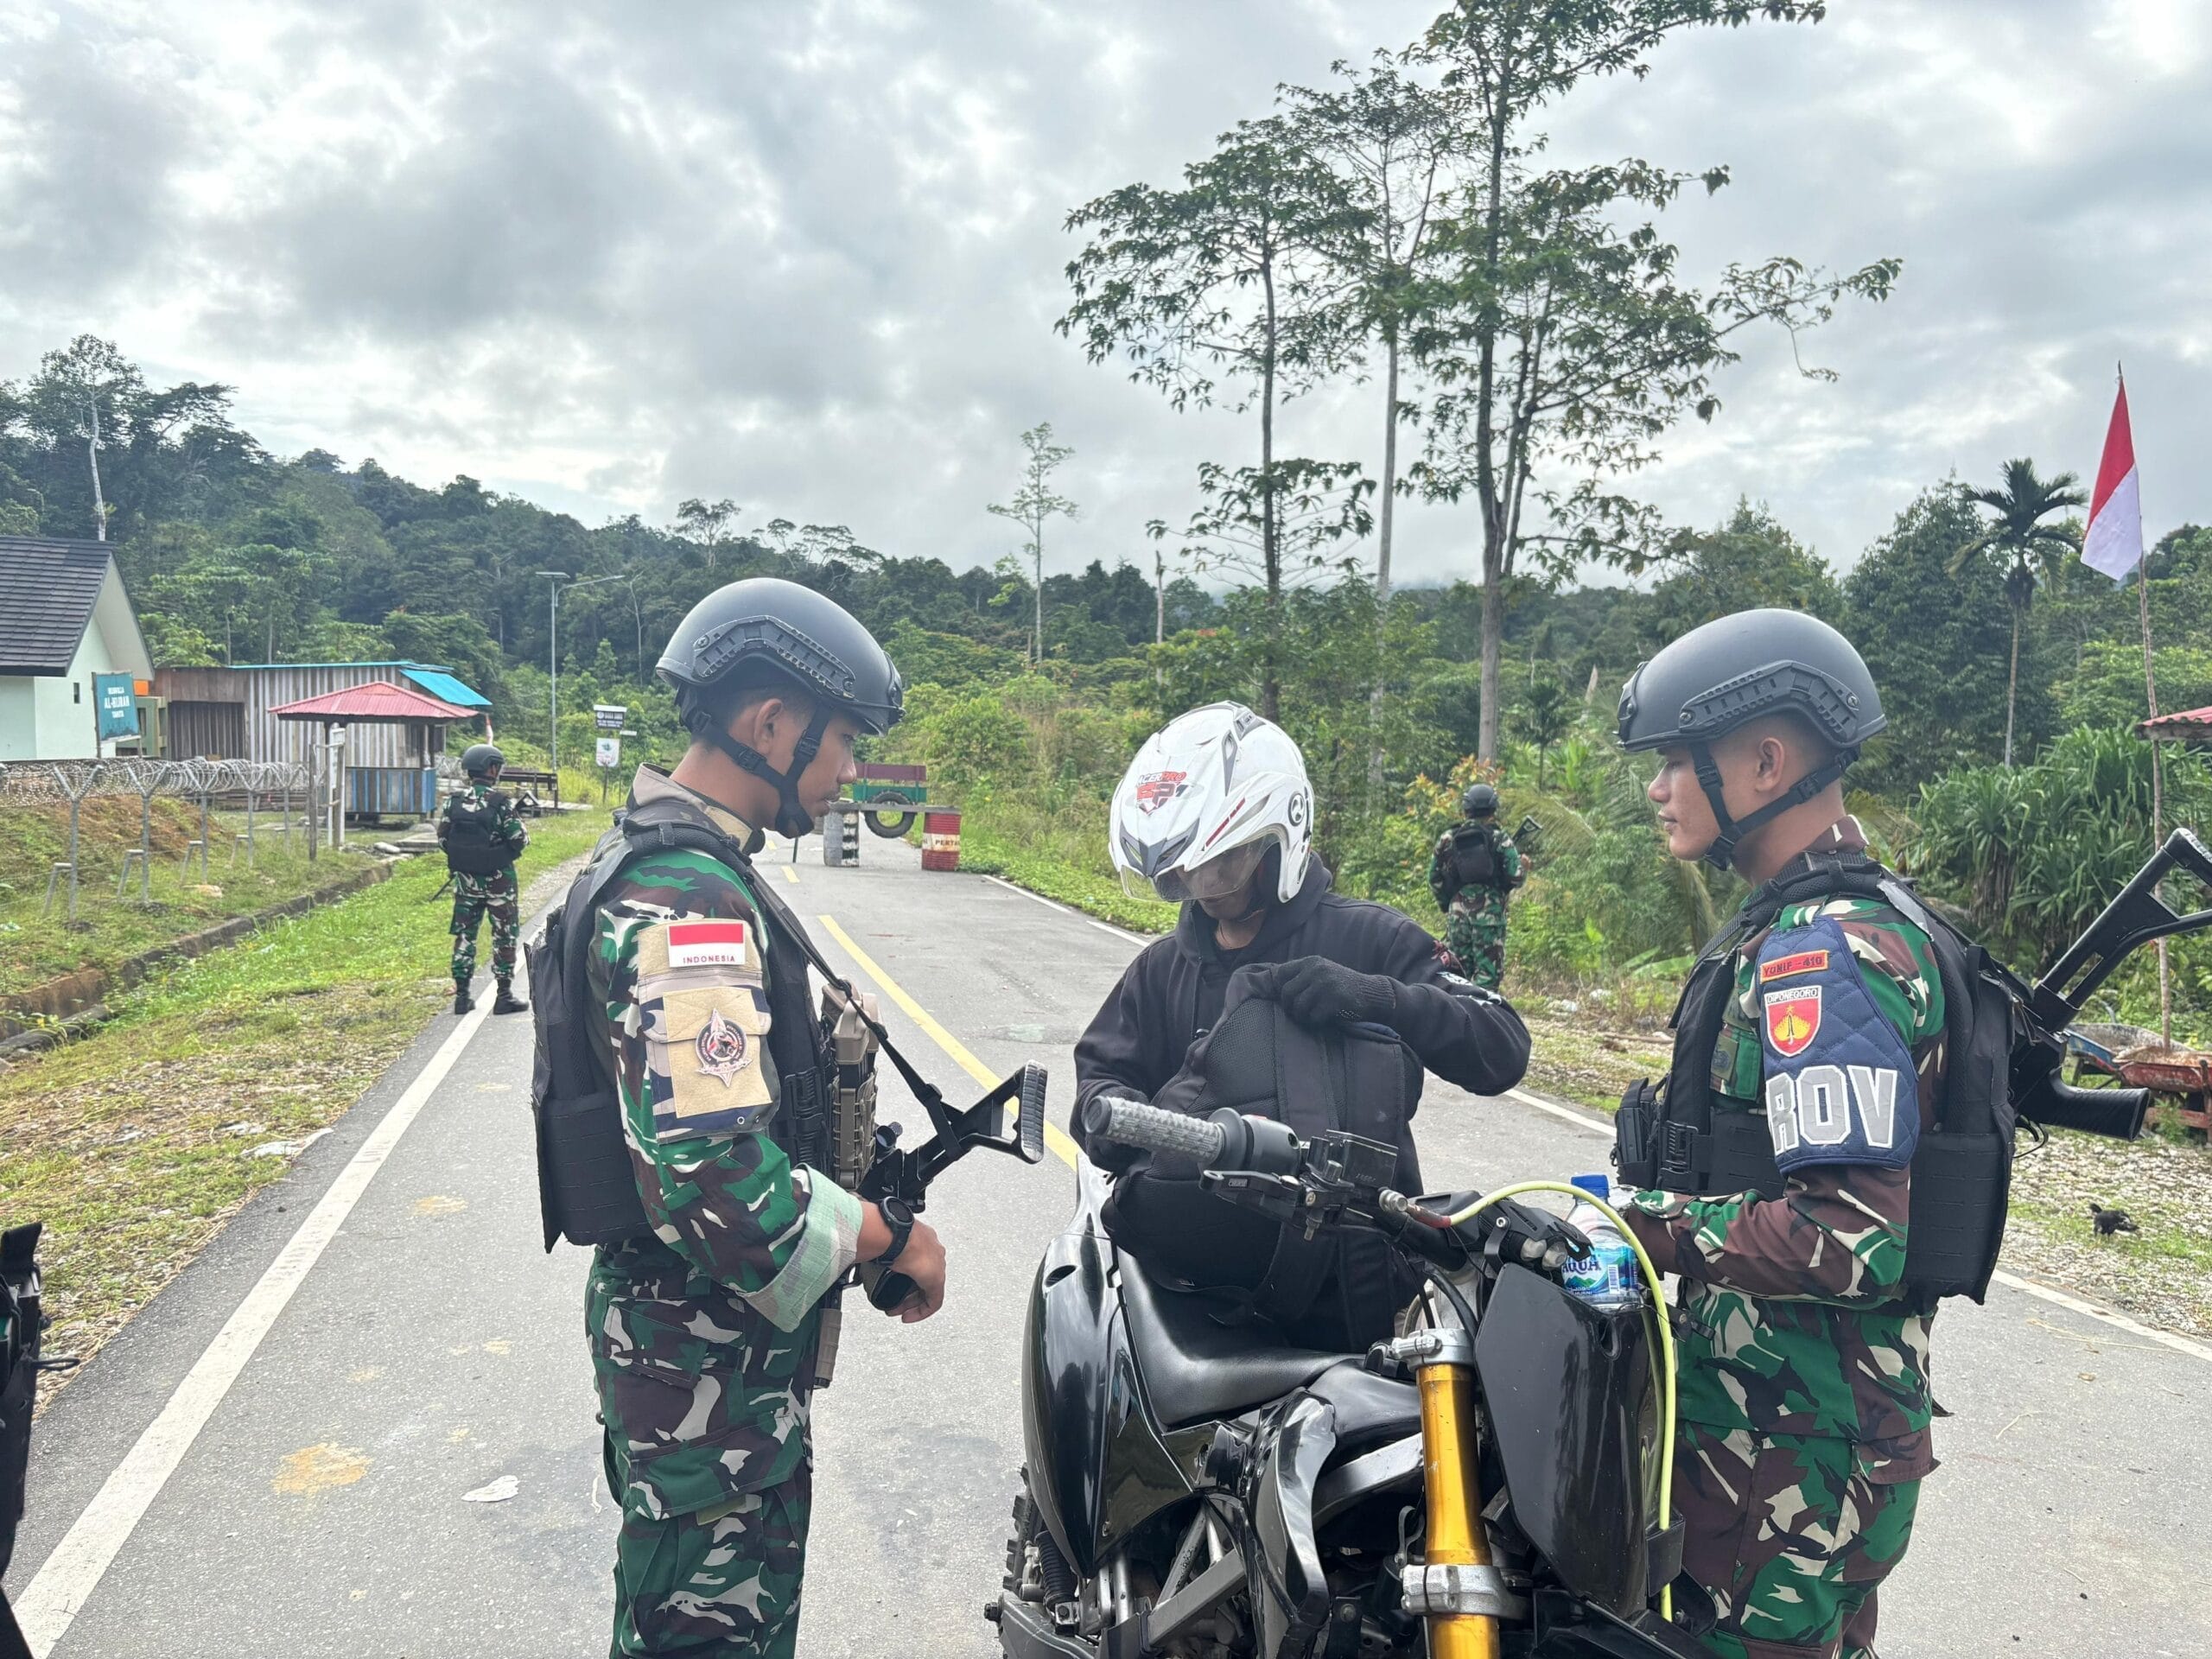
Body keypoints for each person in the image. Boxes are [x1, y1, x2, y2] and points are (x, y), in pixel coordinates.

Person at [582, 578, 946, 1657]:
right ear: (774, 723)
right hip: (707, 1393)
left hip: (703, 1379)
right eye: (845, 742)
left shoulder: (688, 867)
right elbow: (713, 1179)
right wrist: (890, 1238)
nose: (850, 774)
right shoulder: (686, 902)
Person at [1611, 610, 1939, 1659]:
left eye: (1677, 760)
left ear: (1764, 763)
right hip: (1804, 1432)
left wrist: (1637, 1225)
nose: (1658, 788)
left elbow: (1848, 1238)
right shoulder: (1837, 921)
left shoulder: (1820, 955)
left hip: (1788, 1446)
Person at [1072, 702, 1532, 1349]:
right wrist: (1126, 1121)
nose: (1203, 887)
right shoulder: (1162, 969)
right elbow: (1099, 1081)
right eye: (1182, 873)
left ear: (1278, 841)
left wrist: (1377, 997)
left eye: (1221, 864)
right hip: (1194, 1296)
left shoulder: (1368, 938)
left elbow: (1502, 1046)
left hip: (1359, 1299)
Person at [437, 742, 529, 1015]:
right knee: (504, 935)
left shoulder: (453, 802)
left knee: (465, 936)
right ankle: (504, 996)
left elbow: (443, 839)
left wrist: (469, 858)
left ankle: (462, 996)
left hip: (466, 883)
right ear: (491, 769)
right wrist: (497, 854)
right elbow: (520, 839)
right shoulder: (500, 803)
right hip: (499, 883)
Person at [1427, 782, 1525, 991]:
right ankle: (1480, 1010)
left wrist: (1448, 904)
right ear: (1493, 809)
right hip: (1489, 915)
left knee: (1456, 972)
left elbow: (1433, 877)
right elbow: (1516, 876)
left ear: (1466, 808)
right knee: (1488, 977)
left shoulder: (1448, 838)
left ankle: (1454, 1008)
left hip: (1457, 914)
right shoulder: (1500, 838)